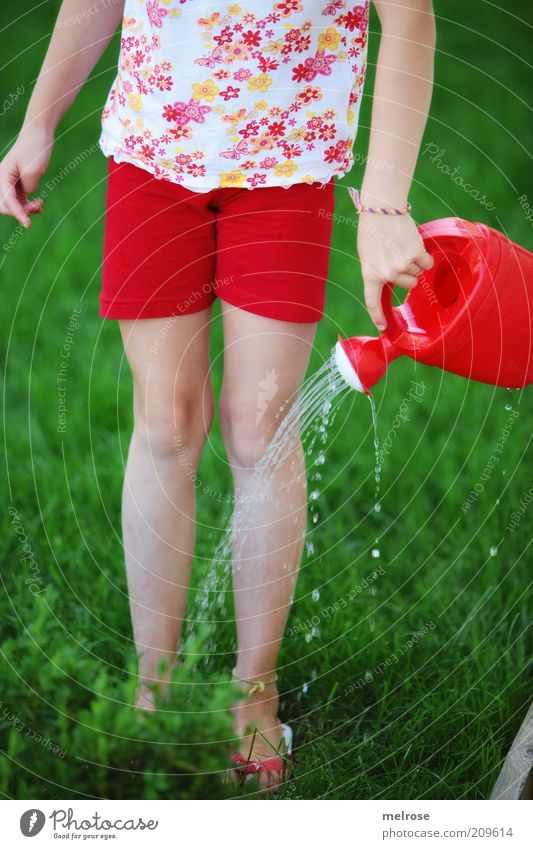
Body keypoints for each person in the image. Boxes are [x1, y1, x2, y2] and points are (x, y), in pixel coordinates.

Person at [0, 0, 435, 787]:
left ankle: (252, 689)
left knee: (257, 429)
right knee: (166, 423)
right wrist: (38, 120)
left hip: (287, 164)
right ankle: (155, 682)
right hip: (150, 149)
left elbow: (409, 17)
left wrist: (384, 203)